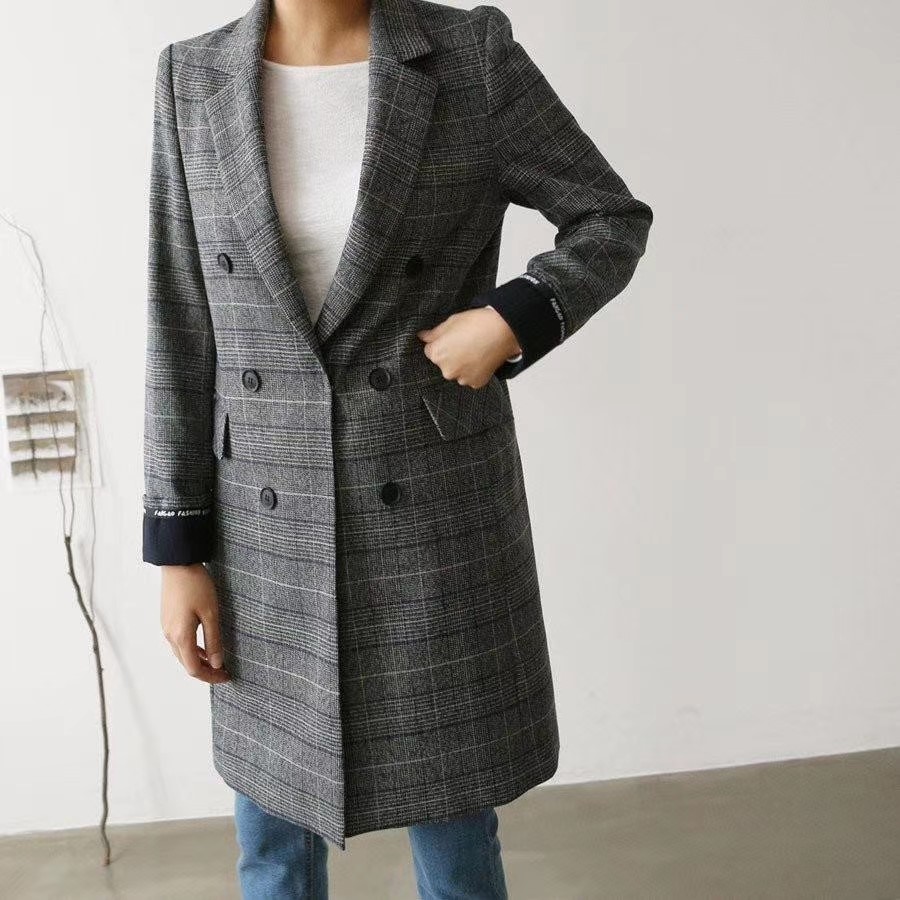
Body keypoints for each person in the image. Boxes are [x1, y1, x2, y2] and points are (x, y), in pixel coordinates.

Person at [142, 0, 653, 896]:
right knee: (272, 842)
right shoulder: (193, 77)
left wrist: (513, 317)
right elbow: (182, 317)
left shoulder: (466, 56)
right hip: (262, 522)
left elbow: (608, 216)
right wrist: (178, 547)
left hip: (430, 502)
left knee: (456, 842)